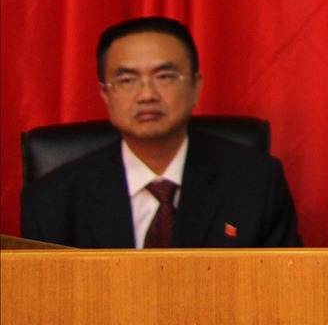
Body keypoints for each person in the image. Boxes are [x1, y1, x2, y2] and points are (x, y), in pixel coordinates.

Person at [21, 16, 302, 248]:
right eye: (127, 80)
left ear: (195, 86)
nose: (147, 95)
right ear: (106, 95)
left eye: (164, 76)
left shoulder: (255, 183)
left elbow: (283, 289)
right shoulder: (52, 201)